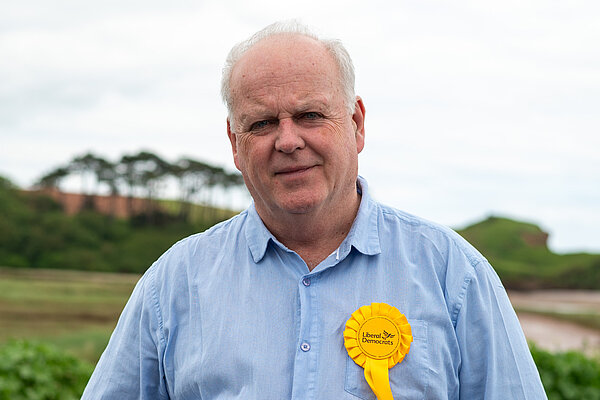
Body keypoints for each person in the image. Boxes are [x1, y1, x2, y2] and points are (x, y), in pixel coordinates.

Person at [82, 21, 547, 399]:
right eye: (262, 123)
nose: (288, 141)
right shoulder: (172, 285)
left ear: (356, 124)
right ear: (235, 144)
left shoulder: (455, 275)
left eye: (310, 115)